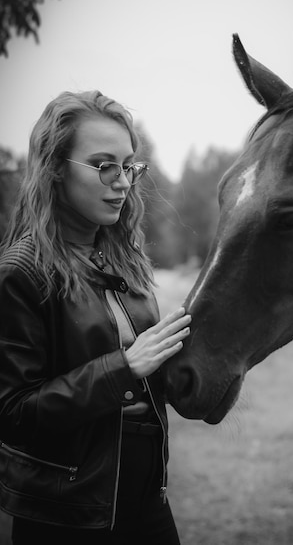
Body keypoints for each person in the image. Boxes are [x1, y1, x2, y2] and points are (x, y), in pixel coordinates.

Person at [0, 90, 191, 545]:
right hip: (66, 515)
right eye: (105, 165)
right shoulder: (20, 273)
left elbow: (147, 372)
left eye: (128, 166)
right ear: (55, 169)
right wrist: (123, 369)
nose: (122, 182)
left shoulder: (124, 260)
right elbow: (11, 412)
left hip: (147, 500)